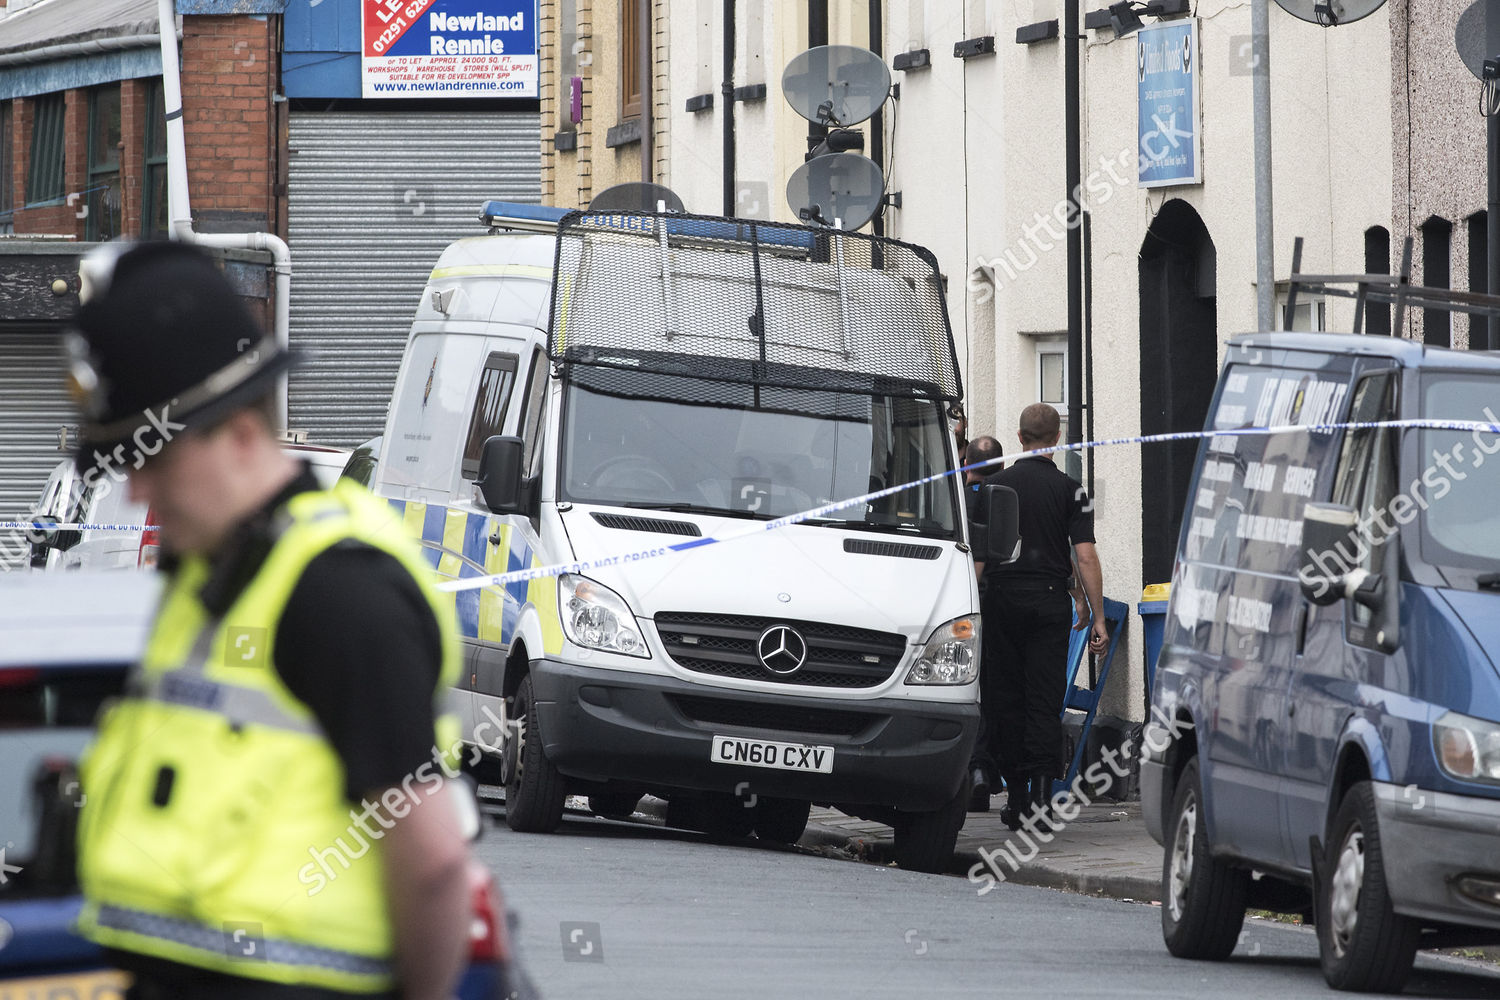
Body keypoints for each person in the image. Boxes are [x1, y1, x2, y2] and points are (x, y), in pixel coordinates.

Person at [67, 242, 471, 1000]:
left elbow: (435, 856)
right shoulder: (204, 578)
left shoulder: (340, 591)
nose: (141, 489)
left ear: (243, 435)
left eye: (155, 459)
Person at [981, 404, 1107, 831]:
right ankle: (1040, 799)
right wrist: (1094, 613)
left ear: (1019, 438)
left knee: (1006, 697)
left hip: (1001, 602)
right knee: (1044, 699)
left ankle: (1015, 797)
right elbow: (1082, 556)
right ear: (1057, 439)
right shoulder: (1072, 491)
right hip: (1049, 602)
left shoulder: (998, 485)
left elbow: (981, 557)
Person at [960, 435, 1003, 811]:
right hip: (1000, 608)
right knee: (992, 689)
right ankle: (984, 771)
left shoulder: (954, 500)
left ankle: (970, 770)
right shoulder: (1004, 501)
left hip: (959, 610)